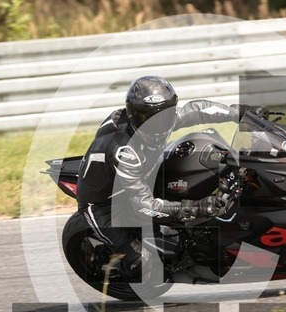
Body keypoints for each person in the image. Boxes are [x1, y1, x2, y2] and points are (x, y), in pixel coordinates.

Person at [75, 75, 267, 282]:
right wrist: (196, 208)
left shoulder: (160, 118)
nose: (157, 124)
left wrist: (240, 112)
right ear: (132, 114)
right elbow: (143, 205)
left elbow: (197, 110)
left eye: (164, 115)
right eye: (147, 118)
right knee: (145, 265)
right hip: (104, 204)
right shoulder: (124, 151)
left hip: (142, 173)